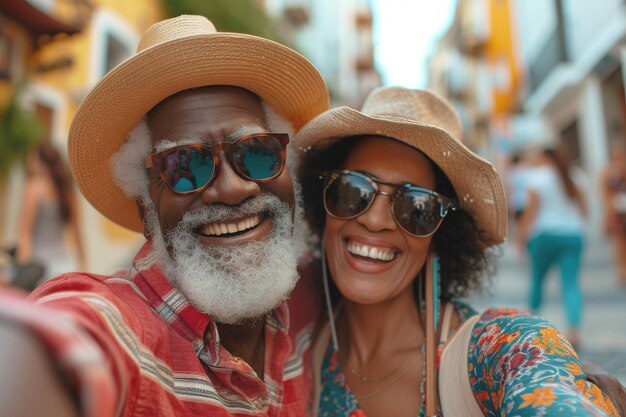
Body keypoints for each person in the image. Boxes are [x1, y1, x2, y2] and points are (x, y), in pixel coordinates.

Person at [0, 15, 330, 417]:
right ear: (146, 209)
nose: (233, 189)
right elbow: (64, 341)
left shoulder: (318, 299)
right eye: (184, 163)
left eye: (257, 152)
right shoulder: (118, 328)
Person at [295, 86, 618, 417]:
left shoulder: (498, 349)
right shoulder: (295, 341)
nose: (375, 220)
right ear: (324, 201)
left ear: (442, 233)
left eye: (415, 207)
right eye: (352, 190)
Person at [517, 145, 587, 348]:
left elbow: (530, 212)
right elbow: (584, 209)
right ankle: (574, 331)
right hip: (573, 234)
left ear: (545, 157)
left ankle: (531, 321)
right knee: (571, 283)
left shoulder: (537, 177)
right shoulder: (576, 175)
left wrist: (521, 239)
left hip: (544, 235)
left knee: (538, 279)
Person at [14, 143, 85, 288]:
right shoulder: (67, 193)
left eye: (32, 158)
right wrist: (83, 267)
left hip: (39, 265)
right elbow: (78, 235)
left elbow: (24, 232)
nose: (30, 162)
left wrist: (23, 268)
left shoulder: (34, 188)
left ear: (41, 162)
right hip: (64, 266)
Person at [599, 139, 626, 286]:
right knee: (619, 242)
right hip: (616, 212)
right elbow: (604, 192)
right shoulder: (608, 172)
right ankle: (621, 270)